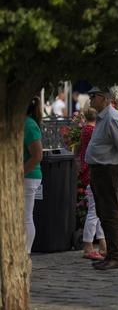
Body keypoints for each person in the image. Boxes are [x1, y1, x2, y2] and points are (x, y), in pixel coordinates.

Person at [85, 87, 118, 270]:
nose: (90, 99)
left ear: (104, 99)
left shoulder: (112, 118)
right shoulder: (103, 117)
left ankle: (116, 256)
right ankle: (111, 255)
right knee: (104, 213)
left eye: (93, 96)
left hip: (108, 170)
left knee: (110, 213)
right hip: (101, 170)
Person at [78, 108, 106, 260]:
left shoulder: (85, 129)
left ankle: (103, 245)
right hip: (92, 173)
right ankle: (88, 246)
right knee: (94, 211)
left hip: (89, 172)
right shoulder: (91, 130)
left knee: (98, 211)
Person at [24, 96, 44, 255]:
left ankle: (26, 252)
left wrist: (19, 174)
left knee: (26, 216)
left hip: (28, 176)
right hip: (27, 175)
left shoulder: (29, 125)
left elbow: (37, 155)